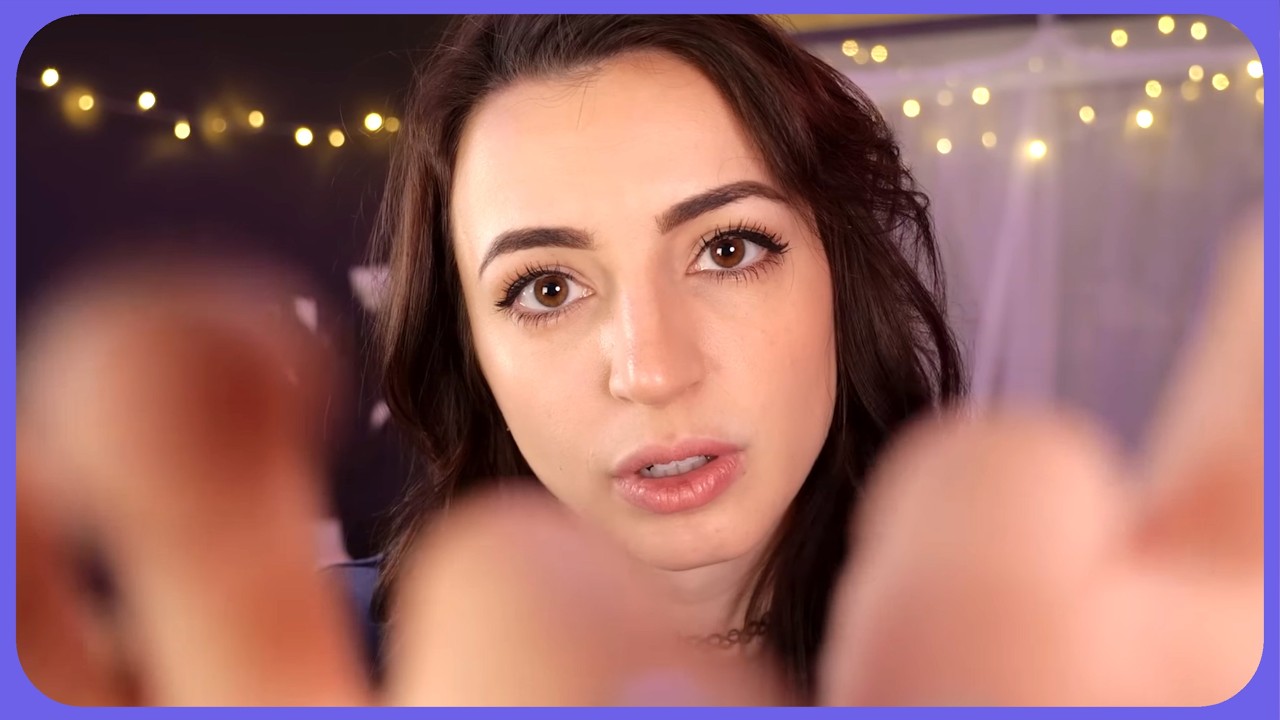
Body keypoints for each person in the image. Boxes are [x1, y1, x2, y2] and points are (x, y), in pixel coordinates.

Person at [15, 14, 1262, 707]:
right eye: (545, 288)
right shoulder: (304, 676)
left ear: (840, 274)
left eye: (727, 248)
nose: (650, 369)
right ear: (470, 350)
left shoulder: (1073, 665)